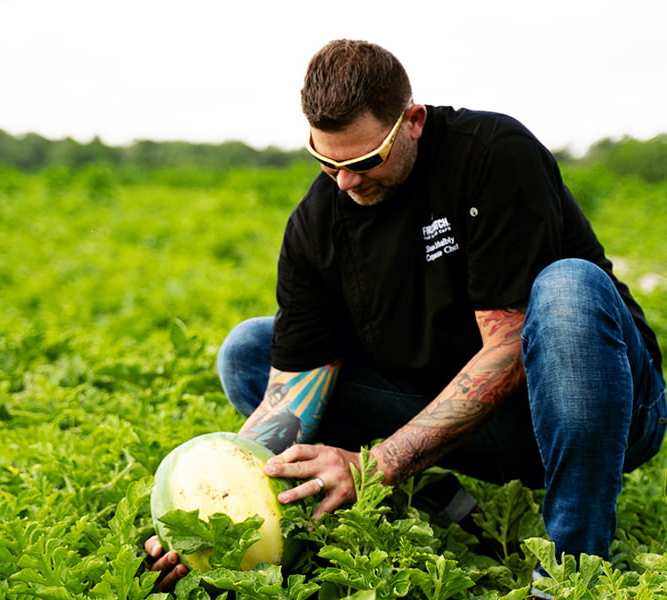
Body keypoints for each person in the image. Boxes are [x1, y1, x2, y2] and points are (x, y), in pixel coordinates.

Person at [147, 39, 666, 594]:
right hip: (466, 423)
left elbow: (509, 345)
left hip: (598, 409)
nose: (345, 181)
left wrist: (376, 463)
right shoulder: (318, 223)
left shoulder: (492, 154)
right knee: (249, 351)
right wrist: (207, 515)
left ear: (412, 120)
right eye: (327, 161)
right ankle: (434, 493)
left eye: (364, 160)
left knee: (569, 287)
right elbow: (288, 403)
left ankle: (571, 570)